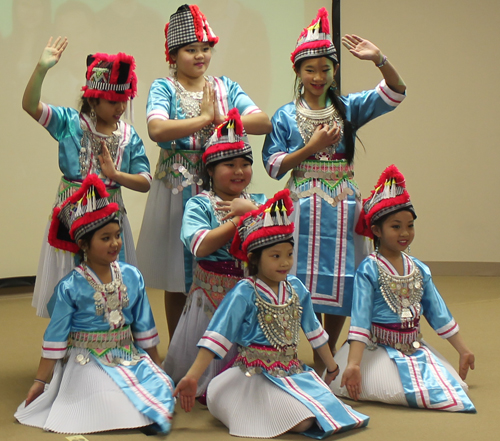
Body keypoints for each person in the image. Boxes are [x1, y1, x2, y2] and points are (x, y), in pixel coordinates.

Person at [262, 7, 407, 368]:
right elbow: (274, 165)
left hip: (343, 205)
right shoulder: (284, 116)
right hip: (302, 208)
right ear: (297, 71)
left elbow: (395, 91)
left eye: (325, 69)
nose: (317, 76)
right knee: (298, 276)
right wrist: (309, 149)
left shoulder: (349, 108)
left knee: (342, 278)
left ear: (335, 71)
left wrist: (380, 59)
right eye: (309, 69)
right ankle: (292, 351)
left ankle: (327, 355)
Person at [174, 189, 369, 438]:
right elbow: (216, 337)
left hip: (291, 371)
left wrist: (331, 368)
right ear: (254, 259)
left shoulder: (296, 288)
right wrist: (193, 377)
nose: (285, 263)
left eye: (289, 254)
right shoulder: (245, 291)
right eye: (275, 256)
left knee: (322, 413)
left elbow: (314, 332)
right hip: (252, 376)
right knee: (300, 420)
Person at [135, 4, 272, 342]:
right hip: (177, 189)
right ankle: (179, 348)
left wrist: (222, 116)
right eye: (190, 49)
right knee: (177, 275)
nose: (200, 55)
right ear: (173, 53)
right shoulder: (163, 87)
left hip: (221, 187)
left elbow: (263, 121)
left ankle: (220, 345)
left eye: (205, 48)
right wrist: (203, 118)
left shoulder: (224, 87)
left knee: (220, 266)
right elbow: (156, 129)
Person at [15, 174, 175, 434]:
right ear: (83, 244)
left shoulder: (132, 276)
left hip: (126, 353)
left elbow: (144, 326)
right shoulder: (70, 286)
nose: (115, 244)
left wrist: (157, 365)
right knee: (104, 395)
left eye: (117, 235)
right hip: (87, 360)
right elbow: (55, 338)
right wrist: (39, 381)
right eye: (105, 238)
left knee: (162, 384)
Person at [329, 165, 476, 412]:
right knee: (406, 391)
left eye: (410, 225)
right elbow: (360, 320)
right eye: (396, 226)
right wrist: (353, 364)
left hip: (413, 345)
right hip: (377, 349)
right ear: (376, 230)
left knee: (455, 387)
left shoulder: (419, 268)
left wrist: (463, 350)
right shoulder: (369, 269)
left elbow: (438, 313)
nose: (405, 233)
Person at [23, 37, 151, 318]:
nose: (119, 108)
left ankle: (114, 341)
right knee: (70, 284)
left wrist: (116, 175)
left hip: (110, 219)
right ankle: (66, 347)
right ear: (93, 98)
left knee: (113, 283)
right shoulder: (69, 123)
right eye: (112, 101)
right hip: (72, 216)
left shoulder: (128, 136)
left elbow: (146, 181)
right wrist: (41, 69)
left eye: (124, 101)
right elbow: (31, 106)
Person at [163, 108, 266, 396]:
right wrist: (238, 220)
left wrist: (254, 212)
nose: (238, 171)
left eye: (245, 164)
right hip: (209, 299)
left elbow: (276, 243)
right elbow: (199, 245)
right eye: (229, 164)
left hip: (248, 295)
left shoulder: (259, 202)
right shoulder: (200, 204)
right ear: (209, 169)